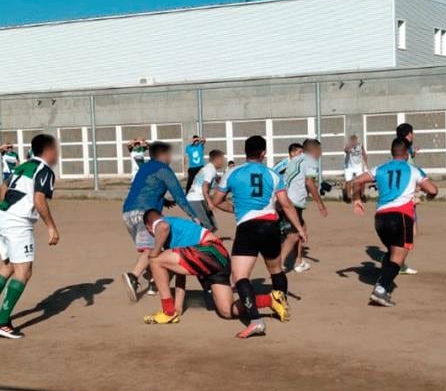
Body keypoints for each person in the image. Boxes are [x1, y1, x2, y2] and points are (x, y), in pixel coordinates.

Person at [211, 135, 306, 339]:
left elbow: (216, 201)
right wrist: (299, 228)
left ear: (245, 152)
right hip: (271, 225)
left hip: (248, 227)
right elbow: (286, 204)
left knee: (240, 276)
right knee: (276, 269)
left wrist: (236, 209)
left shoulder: (232, 173)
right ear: (263, 153)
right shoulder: (273, 174)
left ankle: (255, 321)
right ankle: (281, 306)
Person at [0, 134, 61, 338]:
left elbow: (4, 185)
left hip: (2, 217)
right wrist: (51, 227)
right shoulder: (45, 170)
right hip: (18, 222)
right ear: (48, 151)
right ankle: (2, 321)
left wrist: (6, 206)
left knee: (9, 264)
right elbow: (39, 199)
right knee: (24, 271)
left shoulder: (23, 166)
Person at [140, 209, 283, 324]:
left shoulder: (162, 222)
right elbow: (180, 275)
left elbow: (162, 227)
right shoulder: (177, 236)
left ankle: (167, 311)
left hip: (209, 250)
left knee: (155, 260)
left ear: (148, 227)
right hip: (220, 258)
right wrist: (178, 308)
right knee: (227, 311)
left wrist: (154, 253)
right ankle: (270, 300)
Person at [351, 137, 438, 306]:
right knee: (398, 257)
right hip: (401, 217)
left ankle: (383, 281)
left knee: (391, 253)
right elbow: (433, 189)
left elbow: (357, 181)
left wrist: (357, 199)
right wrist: (429, 195)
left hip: (380, 218)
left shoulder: (380, 168)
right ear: (407, 154)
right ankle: (381, 289)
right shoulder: (413, 170)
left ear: (392, 153)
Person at [120, 141, 198, 302]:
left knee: (153, 250)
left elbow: (145, 187)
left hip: (128, 213)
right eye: (169, 154)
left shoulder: (145, 168)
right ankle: (133, 276)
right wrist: (193, 215)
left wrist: (163, 200)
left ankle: (152, 284)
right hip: (144, 213)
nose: (170, 157)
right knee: (151, 248)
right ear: (163, 155)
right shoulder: (164, 170)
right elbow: (180, 196)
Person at [279, 139, 327, 273]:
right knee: (293, 235)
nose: (321, 154)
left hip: (284, 198)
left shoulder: (294, 159)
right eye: (320, 151)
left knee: (302, 228)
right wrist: (320, 204)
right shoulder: (311, 160)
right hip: (293, 202)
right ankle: (279, 266)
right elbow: (309, 182)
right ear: (314, 150)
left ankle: (298, 261)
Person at [393, 123, 420, 276]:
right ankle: (398, 263)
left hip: (406, 193)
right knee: (410, 231)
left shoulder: (403, 149)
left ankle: (398, 261)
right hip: (406, 195)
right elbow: (404, 170)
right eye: (412, 133)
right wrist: (413, 191)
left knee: (410, 231)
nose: (413, 136)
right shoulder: (404, 150)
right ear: (408, 135)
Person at [186, 149, 225, 232]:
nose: (223, 162)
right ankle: (198, 243)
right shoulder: (210, 170)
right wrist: (210, 203)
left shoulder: (210, 168)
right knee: (207, 226)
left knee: (212, 226)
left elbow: (220, 180)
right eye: (222, 159)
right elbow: (205, 187)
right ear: (217, 160)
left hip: (199, 199)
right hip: (195, 199)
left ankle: (205, 242)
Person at [343, 135, 368, 201]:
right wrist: (350, 147)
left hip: (359, 166)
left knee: (362, 181)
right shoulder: (349, 146)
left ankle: (362, 195)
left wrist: (365, 164)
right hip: (349, 166)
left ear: (357, 141)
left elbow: (364, 154)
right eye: (352, 141)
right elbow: (345, 150)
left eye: (355, 141)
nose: (354, 142)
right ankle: (348, 196)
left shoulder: (360, 145)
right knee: (348, 181)